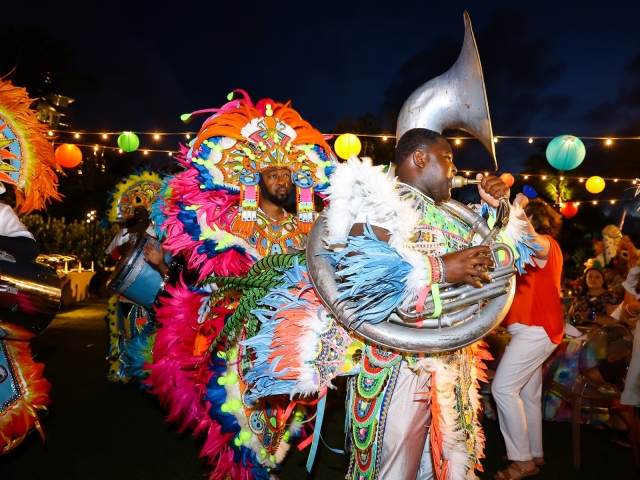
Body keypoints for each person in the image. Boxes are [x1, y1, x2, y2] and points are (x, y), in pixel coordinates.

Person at [146, 93, 334, 479]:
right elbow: (215, 275)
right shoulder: (231, 226)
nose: (283, 180)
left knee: (284, 414)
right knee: (239, 419)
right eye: (273, 173)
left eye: (287, 173)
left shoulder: (311, 225)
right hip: (239, 339)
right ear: (254, 178)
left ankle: (266, 466)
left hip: (296, 337)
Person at [492, 196, 564, 480]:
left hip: (536, 330)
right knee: (528, 395)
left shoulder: (545, 242)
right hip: (535, 330)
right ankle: (534, 452)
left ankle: (523, 461)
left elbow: (533, 240)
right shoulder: (530, 248)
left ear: (532, 220)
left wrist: (515, 210)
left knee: (503, 389)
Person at [101, 170, 169, 384]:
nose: (140, 213)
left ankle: (152, 372)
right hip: (126, 296)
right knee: (126, 332)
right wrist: (119, 251)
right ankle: (126, 369)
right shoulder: (123, 234)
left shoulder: (160, 230)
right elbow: (107, 262)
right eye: (136, 208)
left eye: (144, 209)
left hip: (157, 291)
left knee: (154, 333)